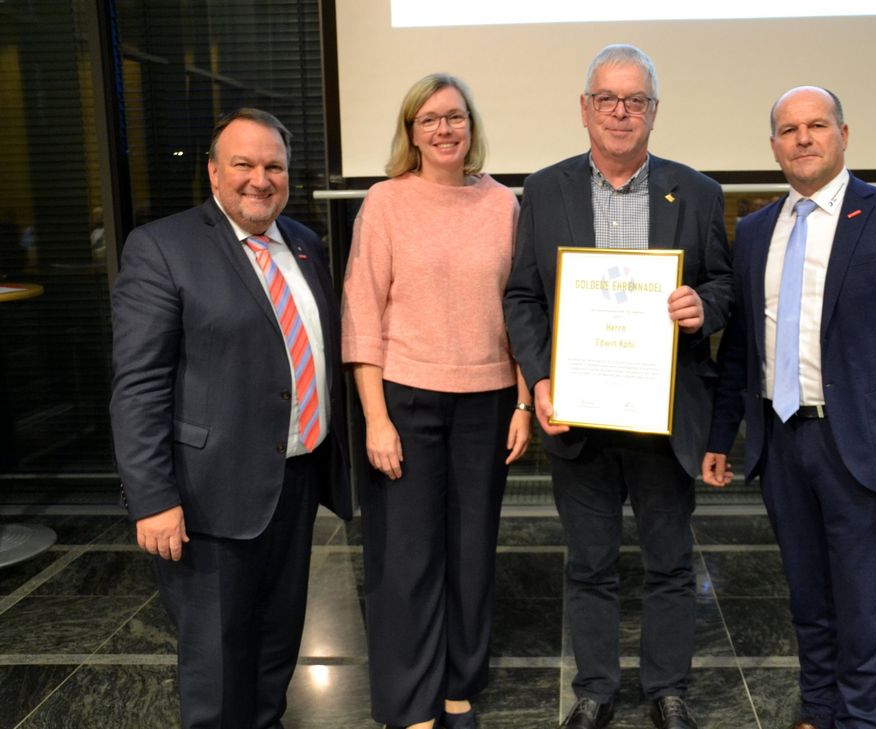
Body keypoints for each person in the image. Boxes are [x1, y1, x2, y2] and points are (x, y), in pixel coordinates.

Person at [702, 86, 876, 729]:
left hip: (861, 450)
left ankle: (860, 720)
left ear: (844, 133)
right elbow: (742, 352)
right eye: (789, 130)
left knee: (863, 607)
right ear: (773, 146)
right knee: (808, 599)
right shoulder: (756, 229)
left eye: (816, 126)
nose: (803, 139)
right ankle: (817, 711)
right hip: (781, 442)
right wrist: (720, 434)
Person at [504, 44, 733, 729]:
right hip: (579, 416)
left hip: (664, 414)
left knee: (669, 561)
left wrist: (703, 306)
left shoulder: (697, 192)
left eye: (635, 100)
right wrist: (542, 378)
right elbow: (523, 296)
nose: (620, 112)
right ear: (584, 109)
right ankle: (595, 688)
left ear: (654, 113)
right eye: (607, 98)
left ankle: (667, 688)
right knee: (589, 563)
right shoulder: (545, 191)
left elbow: (724, 286)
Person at [109, 108, 353, 728]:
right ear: (214, 172)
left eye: (274, 166)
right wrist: (152, 499)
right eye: (244, 164)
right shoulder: (163, 247)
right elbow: (137, 387)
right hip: (206, 498)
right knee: (217, 669)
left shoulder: (303, 241)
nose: (260, 179)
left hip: (294, 484)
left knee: (275, 652)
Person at [341, 73, 532, 729]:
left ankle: (458, 685)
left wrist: (523, 403)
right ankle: (412, 702)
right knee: (409, 558)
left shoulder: (504, 204)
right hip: (406, 400)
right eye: (429, 120)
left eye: (454, 117)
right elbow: (361, 314)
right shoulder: (385, 202)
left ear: (471, 126)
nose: (444, 129)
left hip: (488, 402)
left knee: (473, 551)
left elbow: (520, 308)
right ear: (410, 133)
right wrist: (375, 418)